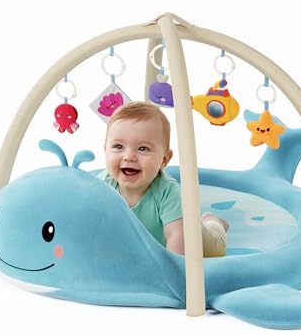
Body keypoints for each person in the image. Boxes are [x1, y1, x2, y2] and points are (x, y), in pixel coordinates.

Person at [97, 101, 229, 257]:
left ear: (164, 160)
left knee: (216, 249)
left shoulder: (167, 192)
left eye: (143, 148)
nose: (129, 156)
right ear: (105, 150)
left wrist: (171, 269)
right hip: (146, 247)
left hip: (194, 238)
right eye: (118, 146)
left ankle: (214, 222)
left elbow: (177, 236)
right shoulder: (101, 186)